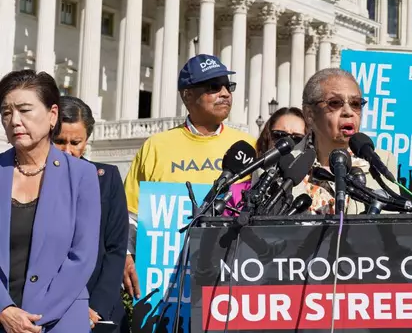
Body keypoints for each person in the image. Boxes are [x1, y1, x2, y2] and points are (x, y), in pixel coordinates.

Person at [121, 54, 255, 304]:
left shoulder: (249, 146)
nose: (225, 93)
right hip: (166, 283)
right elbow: (130, 215)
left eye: (228, 86)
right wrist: (127, 256)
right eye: (214, 87)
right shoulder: (156, 146)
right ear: (187, 95)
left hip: (232, 276)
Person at [0, 70, 100, 332]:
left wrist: (32, 319)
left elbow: (82, 257)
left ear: (52, 115)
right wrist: (4, 309)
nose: (14, 121)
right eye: (6, 112)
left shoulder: (82, 175)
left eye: (24, 110)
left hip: (60, 320)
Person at [52, 96, 128, 330]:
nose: (67, 151)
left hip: (99, 308)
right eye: (59, 141)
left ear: (87, 141)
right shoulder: (32, 180)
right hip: (49, 305)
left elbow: (116, 248)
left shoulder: (107, 178)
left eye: (76, 142)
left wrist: (96, 307)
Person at [294, 68, 398, 214]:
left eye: (355, 103)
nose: (348, 112)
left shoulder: (382, 161)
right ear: (310, 114)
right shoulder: (279, 166)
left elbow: (390, 226)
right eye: (335, 103)